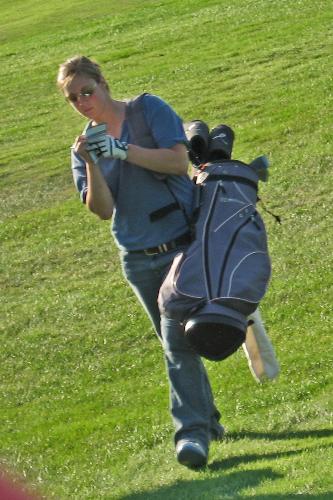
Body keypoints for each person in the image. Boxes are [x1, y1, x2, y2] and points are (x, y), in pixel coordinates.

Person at [57, 55, 224, 468]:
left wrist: (122, 150)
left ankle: (192, 435)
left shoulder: (148, 109)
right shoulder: (82, 148)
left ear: (103, 83)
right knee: (177, 343)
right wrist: (95, 162)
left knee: (176, 343)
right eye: (73, 98)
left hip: (180, 246)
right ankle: (212, 422)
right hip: (136, 257)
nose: (82, 101)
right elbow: (101, 209)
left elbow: (176, 162)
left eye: (86, 91)